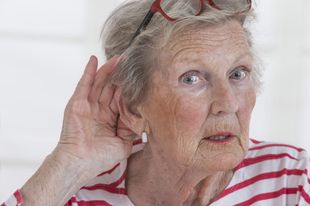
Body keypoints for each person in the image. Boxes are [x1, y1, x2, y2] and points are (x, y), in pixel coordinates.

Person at [2, 0, 310, 205]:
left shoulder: (293, 181)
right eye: (192, 78)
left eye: (238, 73)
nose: (228, 103)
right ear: (133, 107)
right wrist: (70, 164)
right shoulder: (78, 193)